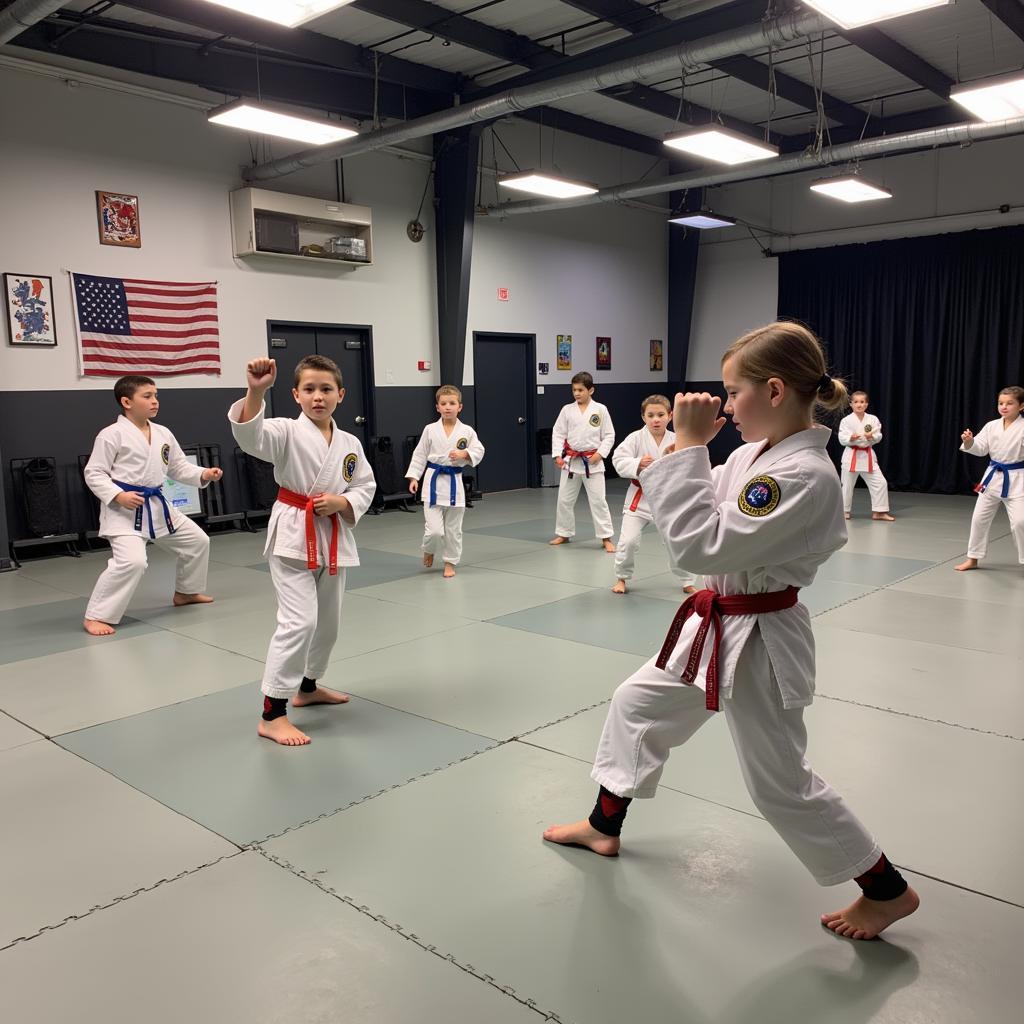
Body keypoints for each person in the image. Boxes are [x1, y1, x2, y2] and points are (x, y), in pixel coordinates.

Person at [543, 321, 919, 942]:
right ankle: (604, 825)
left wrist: (689, 448)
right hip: (718, 621)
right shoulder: (753, 455)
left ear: (774, 391)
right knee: (635, 703)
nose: (724, 406)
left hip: (761, 639)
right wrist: (683, 453)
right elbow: (691, 511)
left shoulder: (800, 475)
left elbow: (701, 544)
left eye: (731, 391)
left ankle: (887, 892)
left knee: (779, 784)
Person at [229, 356, 376, 746]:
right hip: (294, 534)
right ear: (295, 395)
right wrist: (256, 391)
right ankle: (272, 712)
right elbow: (249, 436)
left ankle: (307, 687)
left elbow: (364, 485)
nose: (317, 397)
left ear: (340, 395)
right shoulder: (284, 431)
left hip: (332, 534)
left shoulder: (349, 443)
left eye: (326, 389)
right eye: (309, 389)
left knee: (329, 622)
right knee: (300, 622)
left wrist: (344, 504)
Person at [83, 375, 220, 636]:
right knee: (133, 562)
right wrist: (117, 496)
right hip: (124, 510)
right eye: (147, 396)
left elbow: (177, 467)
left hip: (157, 506)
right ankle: (96, 616)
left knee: (198, 542)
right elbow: (94, 473)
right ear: (126, 401)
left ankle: (186, 592)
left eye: (156, 396)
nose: (154, 401)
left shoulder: (162, 432)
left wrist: (203, 474)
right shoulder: (111, 435)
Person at [610, 394, 698, 595]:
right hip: (640, 498)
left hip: (668, 499)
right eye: (650, 415)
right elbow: (618, 459)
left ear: (670, 415)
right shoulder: (635, 438)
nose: (655, 419)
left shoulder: (678, 439)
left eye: (660, 414)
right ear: (643, 417)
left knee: (676, 540)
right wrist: (637, 464)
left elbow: (690, 464)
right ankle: (621, 577)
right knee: (628, 541)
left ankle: (686, 580)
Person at [405, 385, 485, 579]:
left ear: (460, 407)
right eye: (443, 403)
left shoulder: (467, 431)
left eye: (452, 403)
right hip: (432, 482)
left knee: (453, 529)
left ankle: (450, 562)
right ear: (437, 407)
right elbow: (420, 454)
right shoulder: (430, 429)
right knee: (434, 531)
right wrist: (414, 476)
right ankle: (429, 549)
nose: (448, 407)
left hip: (454, 484)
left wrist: (465, 453)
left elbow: (479, 450)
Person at [954, 385, 1024, 572]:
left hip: (1018, 479)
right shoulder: (992, 426)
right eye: (1001, 403)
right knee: (979, 519)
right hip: (992, 478)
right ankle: (973, 558)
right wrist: (969, 441)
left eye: (1010, 403)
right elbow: (981, 448)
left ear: (1021, 406)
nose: (1004, 407)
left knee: (1020, 521)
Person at [550, 371, 616, 551]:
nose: (577, 393)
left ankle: (606, 537)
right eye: (574, 390)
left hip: (592, 462)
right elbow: (558, 433)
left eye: (580, 389)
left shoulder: (600, 409)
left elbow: (609, 435)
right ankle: (564, 532)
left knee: (598, 501)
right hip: (571, 461)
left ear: (591, 390)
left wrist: (600, 454)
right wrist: (557, 455)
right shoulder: (567, 410)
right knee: (564, 499)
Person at [837, 391, 895, 521]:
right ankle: (844, 512)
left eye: (862, 402)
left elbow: (878, 435)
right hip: (851, 455)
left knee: (880, 483)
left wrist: (872, 437)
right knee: (847, 486)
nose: (859, 404)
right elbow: (842, 438)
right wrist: (850, 437)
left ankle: (879, 512)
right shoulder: (846, 421)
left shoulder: (872, 419)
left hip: (867, 455)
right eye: (856, 402)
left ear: (866, 404)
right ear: (851, 404)